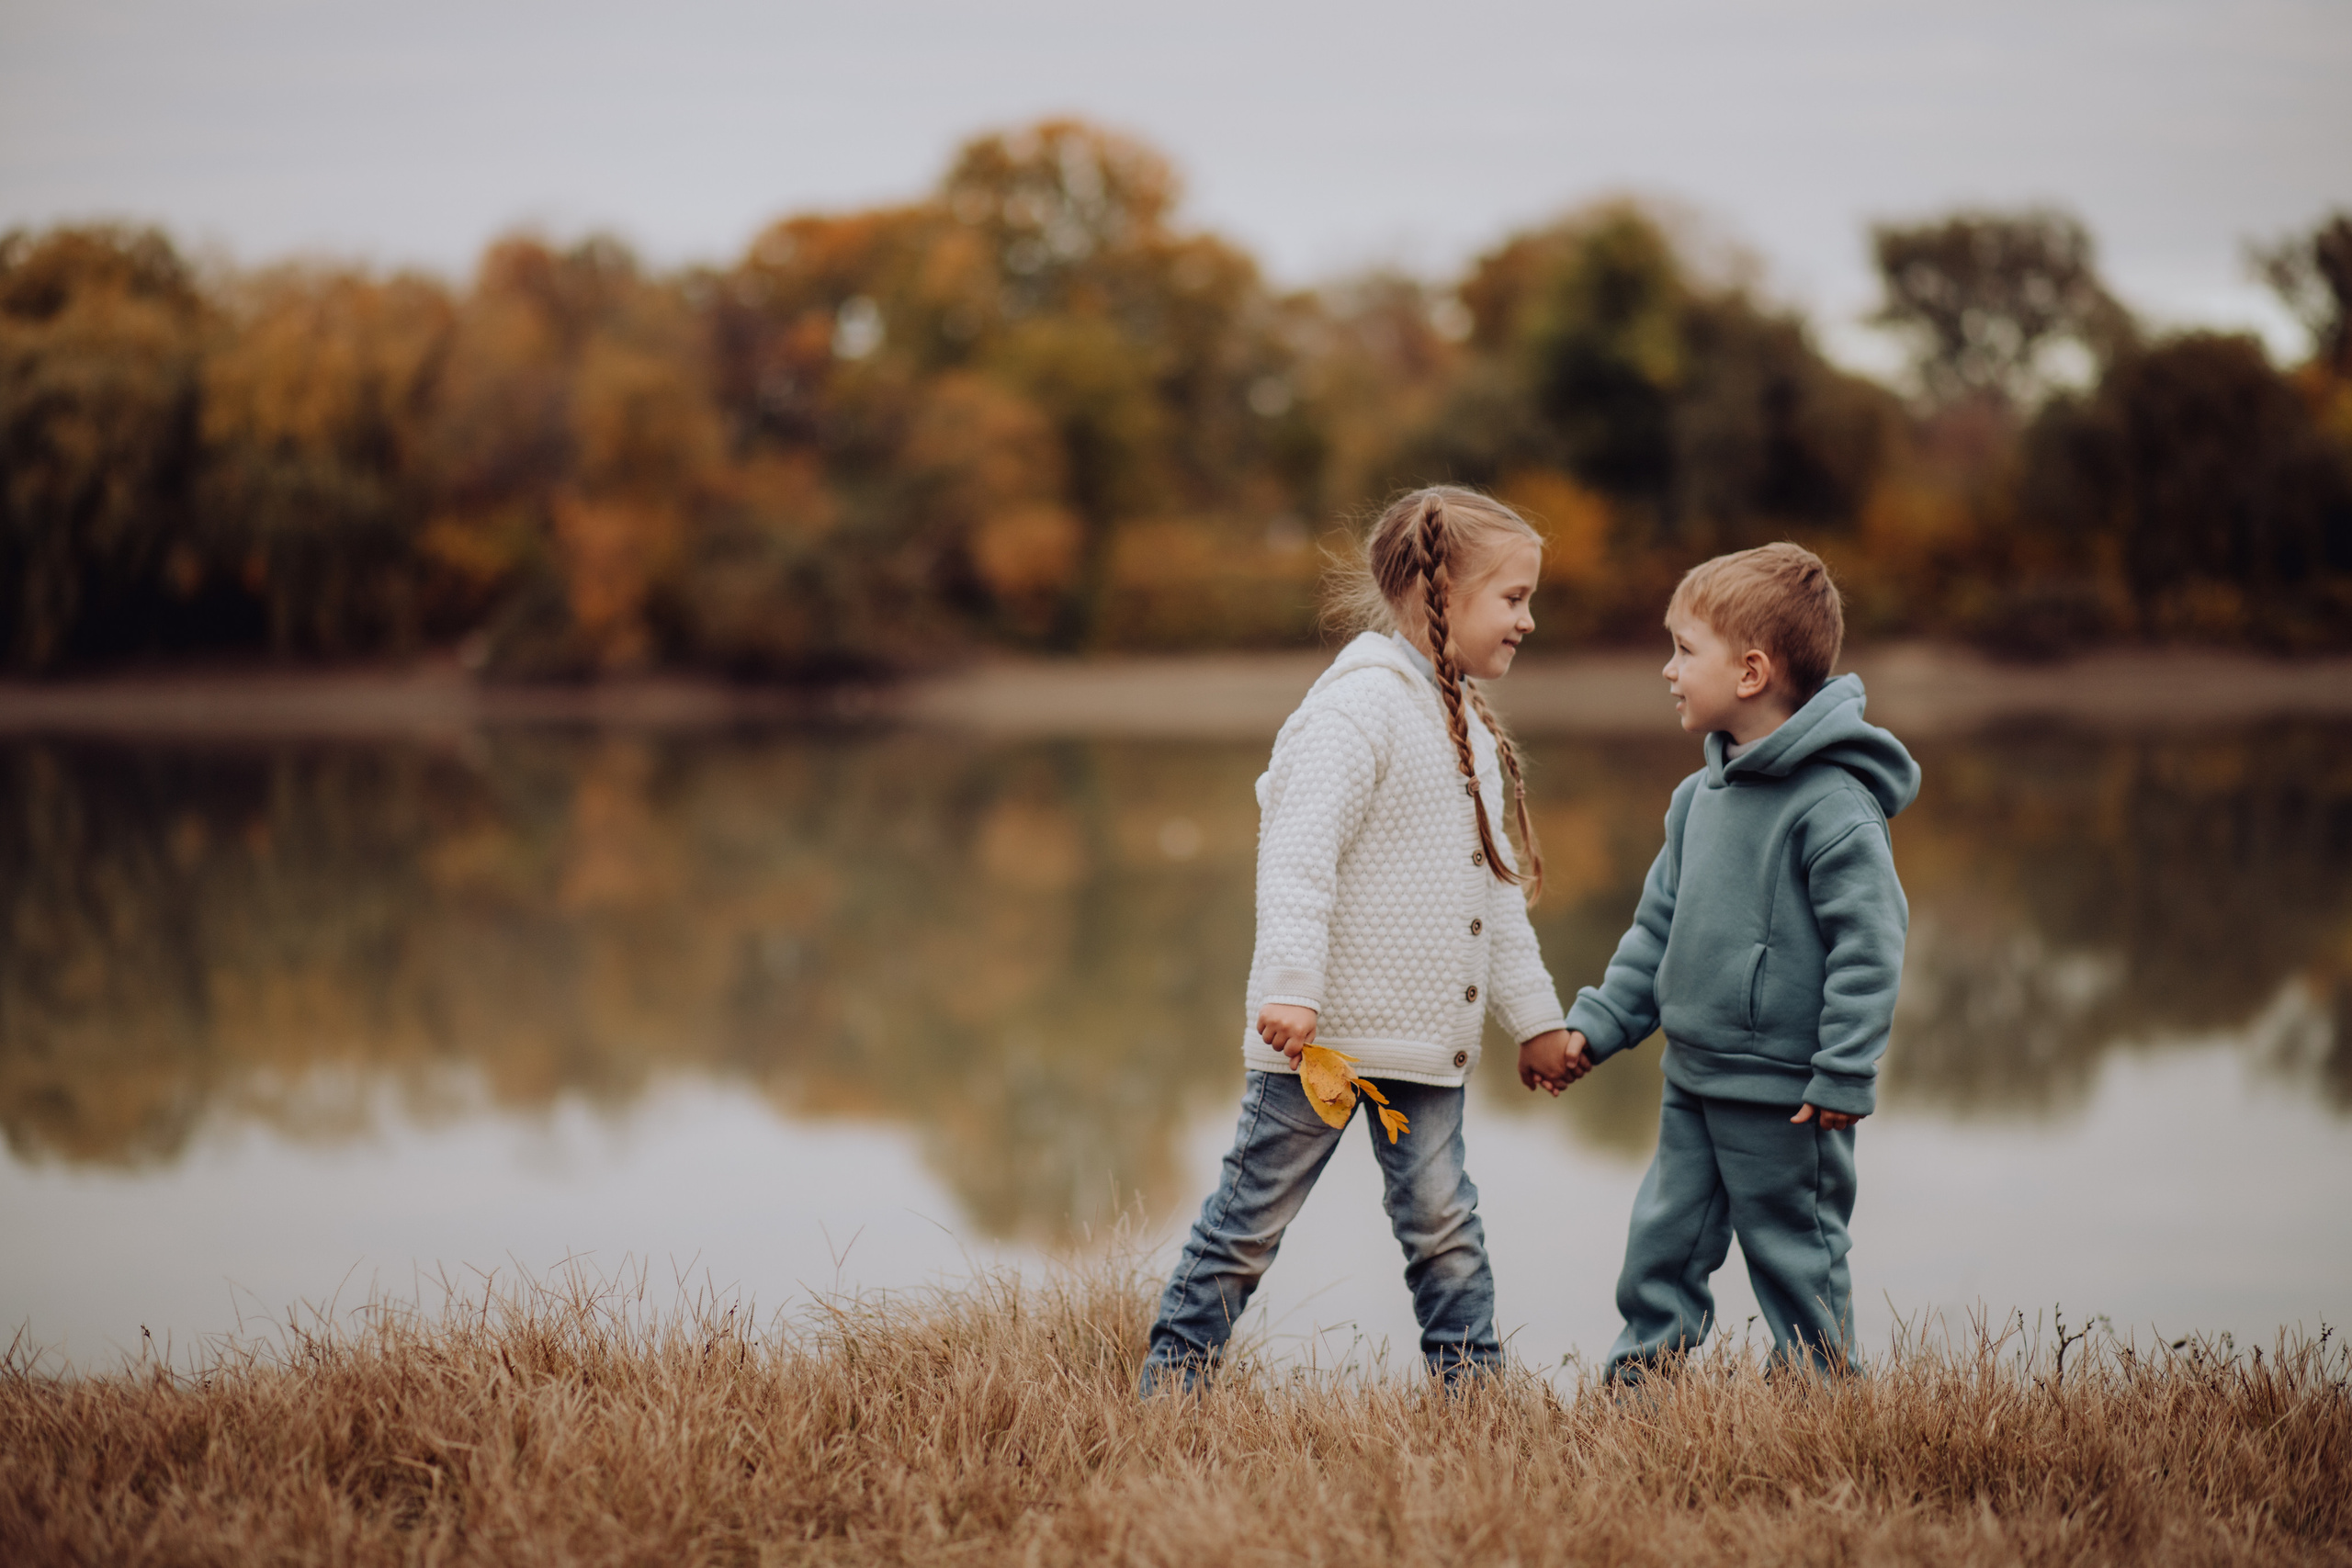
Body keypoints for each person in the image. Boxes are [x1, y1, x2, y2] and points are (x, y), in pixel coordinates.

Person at [1137, 486, 1585, 1393]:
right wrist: (1292, 986)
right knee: (1248, 1223)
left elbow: (1495, 897)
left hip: (1425, 1044)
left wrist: (1536, 1020)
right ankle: (1171, 1385)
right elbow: (1297, 857)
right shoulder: (1358, 708)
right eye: (1513, 598)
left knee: (1445, 1231)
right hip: (1318, 1043)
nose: (1527, 619)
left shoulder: (1462, 722)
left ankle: (1475, 1402)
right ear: (1441, 591)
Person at [1562, 542, 1918, 1379]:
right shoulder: (1696, 800)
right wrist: (1599, 1024)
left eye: (1685, 650)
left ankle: (1818, 1400)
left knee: (1797, 1254)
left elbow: (1870, 948)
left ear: (1751, 672)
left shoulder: (1834, 806)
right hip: (1692, 1075)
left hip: (1788, 1095)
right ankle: (1638, 1392)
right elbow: (1656, 930)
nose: (1668, 669)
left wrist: (1844, 1070)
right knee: (1661, 1246)